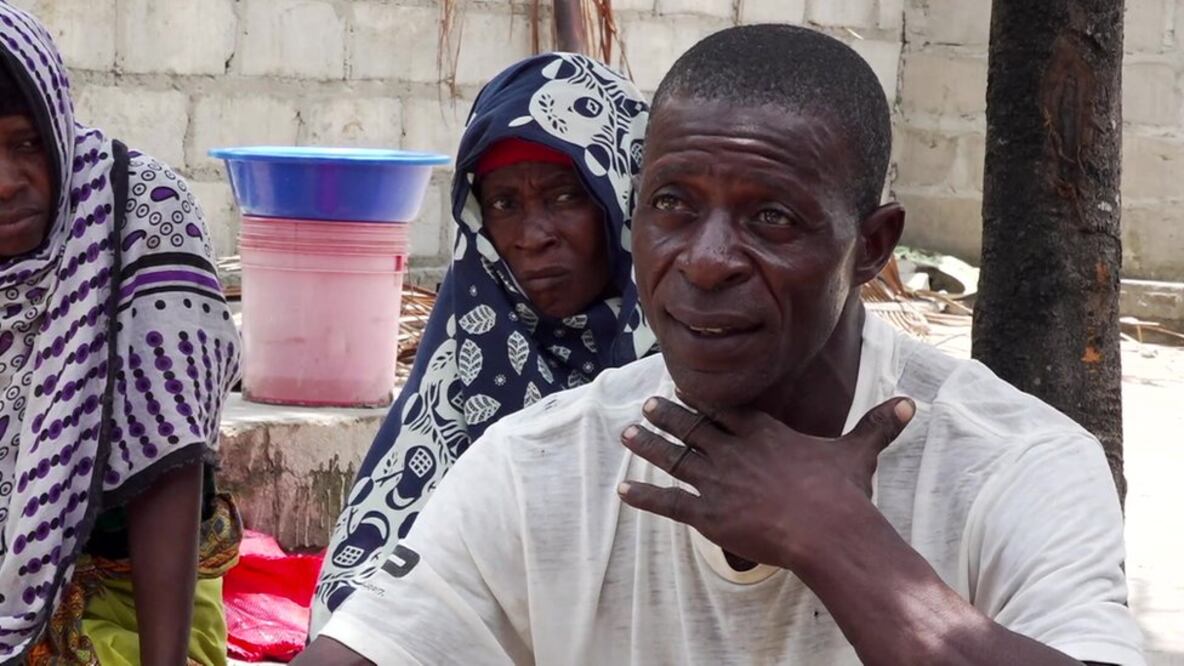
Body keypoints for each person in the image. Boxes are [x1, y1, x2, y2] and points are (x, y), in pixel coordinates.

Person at [297, 25, 1143, 666]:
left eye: (772, 217)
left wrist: (841, 544)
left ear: (875, 247)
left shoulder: (1016, 464)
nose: (703, 262)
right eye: (671, 204)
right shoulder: (539, 463)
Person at [310, 52, 654, 633]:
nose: (531, 237)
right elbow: (361, 585)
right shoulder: (467, 357)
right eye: (504, 205)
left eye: (565, 196)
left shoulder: (691, 360)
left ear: (624, 196)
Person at [0, 4, 242, 665]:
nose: (5, 183)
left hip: (131, 607)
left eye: (26, 145)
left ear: (56, 128)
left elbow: (167, 459)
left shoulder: (141, 217)